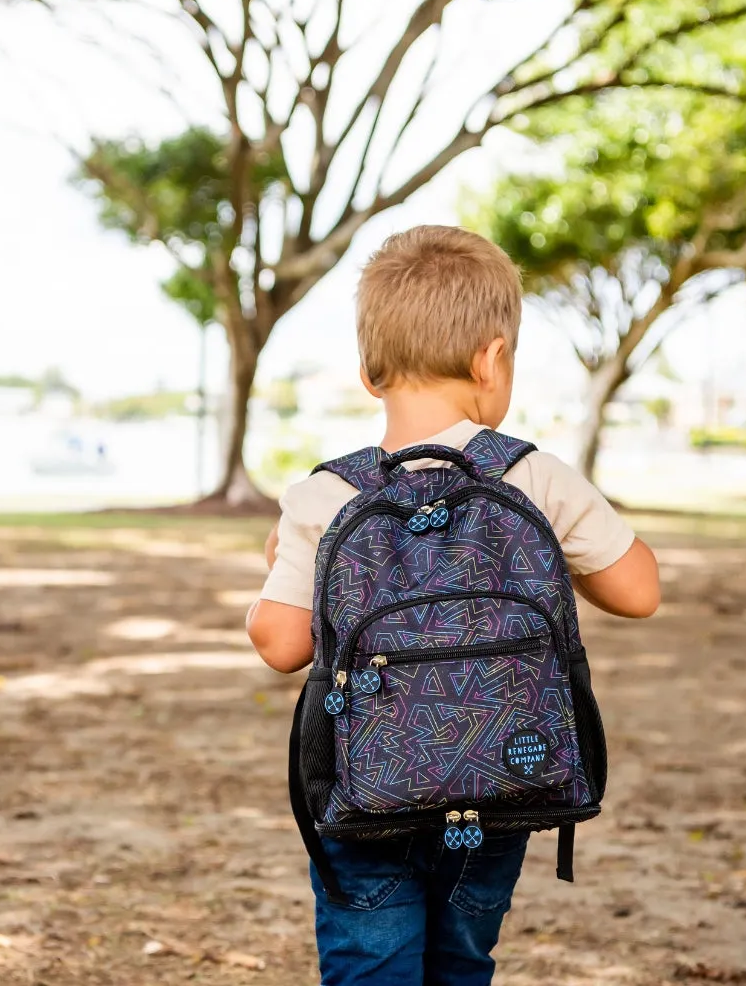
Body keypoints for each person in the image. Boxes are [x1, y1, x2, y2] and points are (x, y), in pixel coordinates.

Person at [246, 225, 661, 986]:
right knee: (463, 963)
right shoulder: (537, 479)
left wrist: (280, 560)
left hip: (364, 790)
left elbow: (279, 643)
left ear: (371, 372)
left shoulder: (325, 497)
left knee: (371, 962)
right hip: (503, 784)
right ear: (491, 360)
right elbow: (639, 592)